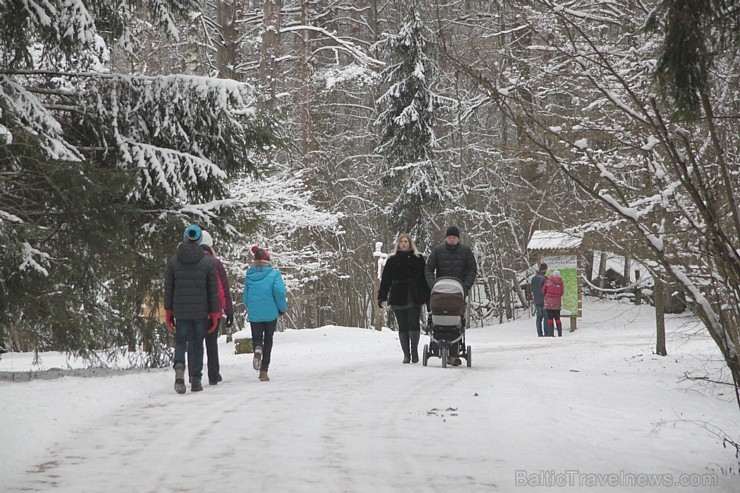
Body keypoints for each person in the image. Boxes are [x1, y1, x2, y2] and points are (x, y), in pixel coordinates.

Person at [164, 225, 220, 394]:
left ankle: (180, 366)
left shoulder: (173, 262)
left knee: (181, 341)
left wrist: (169, 310)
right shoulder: (208, 263)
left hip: (181, 312)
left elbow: (169, 288)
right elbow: (213, 291)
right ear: (199, 240)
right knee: (197, 343)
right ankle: (196, 379)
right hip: (201, 312)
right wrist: (215, 313)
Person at [424, 225, 477, 366]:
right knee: (438, 320)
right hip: (440, 292)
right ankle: (439, 348)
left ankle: (454, 353)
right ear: (446, 238)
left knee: (457, 321)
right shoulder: (438, 251)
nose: (452, 240)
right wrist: (433, 285)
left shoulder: (465, 251)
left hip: (458, 292)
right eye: (450, 237)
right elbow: (428, 268)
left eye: (454, 237)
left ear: (458, 238)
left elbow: (472, 269)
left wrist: (466, 287)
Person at [186, 231, 234, 386]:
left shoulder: (186, 262)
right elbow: (223, 289)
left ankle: (194, 375)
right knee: (211, 343)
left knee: (193, 342)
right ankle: (213, 375)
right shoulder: (215, 263)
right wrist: (228, 310)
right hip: (214, 309)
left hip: (193, 309)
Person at [378, 234, 431, 364]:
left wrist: (428, 299)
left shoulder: (418, 259)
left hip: (415, 295)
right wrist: (382, 296)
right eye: (401, 242)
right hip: (398, 295)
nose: (404, 243)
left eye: (406, 241)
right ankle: (406, 354)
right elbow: (386, 280)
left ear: (410, 243)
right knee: (403, 326)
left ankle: (414, 352)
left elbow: (424, 280)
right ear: (398, 244)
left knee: (414, 324)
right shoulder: (392, 260)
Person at [243, 245, 287, 382]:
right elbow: (279, 292)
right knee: (268, 340)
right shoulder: (274, 274)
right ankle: (264, 370)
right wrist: (282, 308)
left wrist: (250, 306)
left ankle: (257, 348)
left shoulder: (249, 274)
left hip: (255, 312)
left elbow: (245, 296)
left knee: (257, 337)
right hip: (270, 312)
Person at [542, 270, 565, 337]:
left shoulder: (548, 281)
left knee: (550, 318)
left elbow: (543, 291)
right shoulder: (561, 283)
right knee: (557, 318)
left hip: (549, 302)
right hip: (557, 302)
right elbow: (562, 293)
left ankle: (551, 334)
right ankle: (560, 334)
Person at [530, 263, 549, 337]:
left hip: (537, 300)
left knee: (539, 318)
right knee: (546, 317)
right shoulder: (544, 278)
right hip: (544, 300)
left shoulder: (534, 278)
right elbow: (546, 290)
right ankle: (546, 333)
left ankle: (539, 333)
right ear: (544, 270)